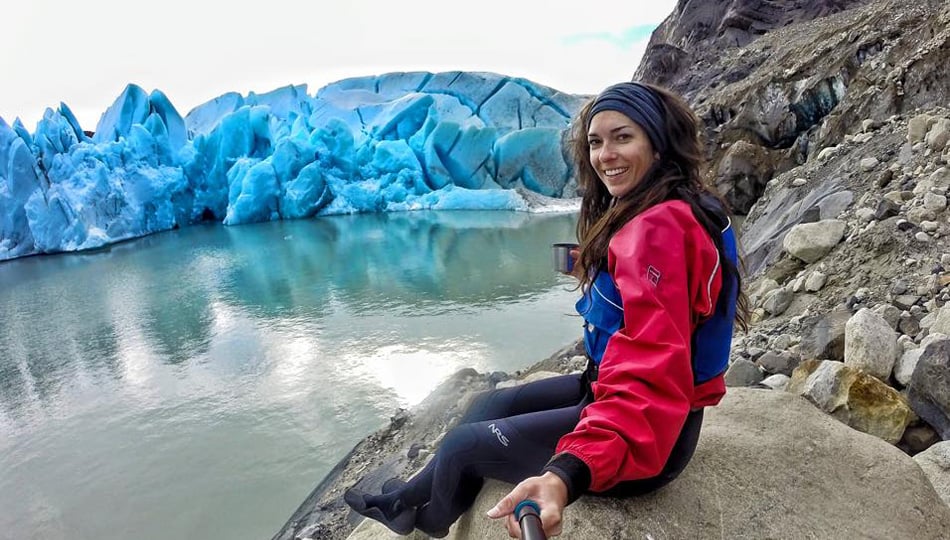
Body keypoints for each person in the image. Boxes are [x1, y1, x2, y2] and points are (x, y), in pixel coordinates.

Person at [343, 81, 749, 538]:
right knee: (488, 402)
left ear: (658, 142)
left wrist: (565, 475)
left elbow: (649, 377)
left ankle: (429, 522)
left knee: (462, 446)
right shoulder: (678, 205)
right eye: (596, 142)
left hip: (649, 437)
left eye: (623, 137)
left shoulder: (657, 230)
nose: (605, 155)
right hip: (609, 392)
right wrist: (597, 266)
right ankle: (404, 498)